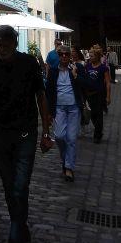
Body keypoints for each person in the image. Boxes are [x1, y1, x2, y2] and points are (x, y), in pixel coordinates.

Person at [0, 25, 52, 243]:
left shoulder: (29, 63)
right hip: (0, 134)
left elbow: (41, 97)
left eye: (4, 43)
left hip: (25, 133)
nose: (0, 47)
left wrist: (47, 132)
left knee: (21, 185)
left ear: (14, 43)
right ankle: (21, 225)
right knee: (10, 187)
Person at [45, 46, 87, 182]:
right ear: (58, 56)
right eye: (61, 54)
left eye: (66, 54)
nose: (63, 56)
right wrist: (49, 112)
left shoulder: (77, 68)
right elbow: (49, 92)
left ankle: (69, 168)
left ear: (70, 56)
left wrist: (76, 76)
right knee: (59, 136)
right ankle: (66, 161)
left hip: (74, 107)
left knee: (71, 138)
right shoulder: (52, 71)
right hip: (59, 108)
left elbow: (88, 84)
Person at [83, 46, 111, 143]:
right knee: (92, 115)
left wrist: (108, 96)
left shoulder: (103, 68)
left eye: (92, 56)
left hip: (99, 94)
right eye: (89, 56)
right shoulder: (87, 66)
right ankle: (98, 130)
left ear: (97, 56)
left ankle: (97, 134)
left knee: (98, 114)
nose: (90, 57)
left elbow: (107, 82)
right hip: (89, 94)